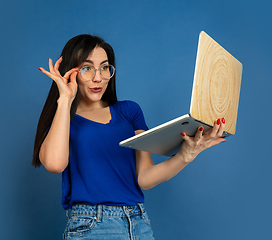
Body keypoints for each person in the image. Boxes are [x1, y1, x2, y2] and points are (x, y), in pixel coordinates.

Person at [32, 34, 226, 239]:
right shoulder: (63, 121)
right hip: (92, 226)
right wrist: (65, 100)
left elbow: (144, 178)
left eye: (105, 67)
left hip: (138, 222)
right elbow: (54, 164)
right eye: (86, 68)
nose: (98, 77)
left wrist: (185, 156)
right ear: (71, 72)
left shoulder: (129, 111)